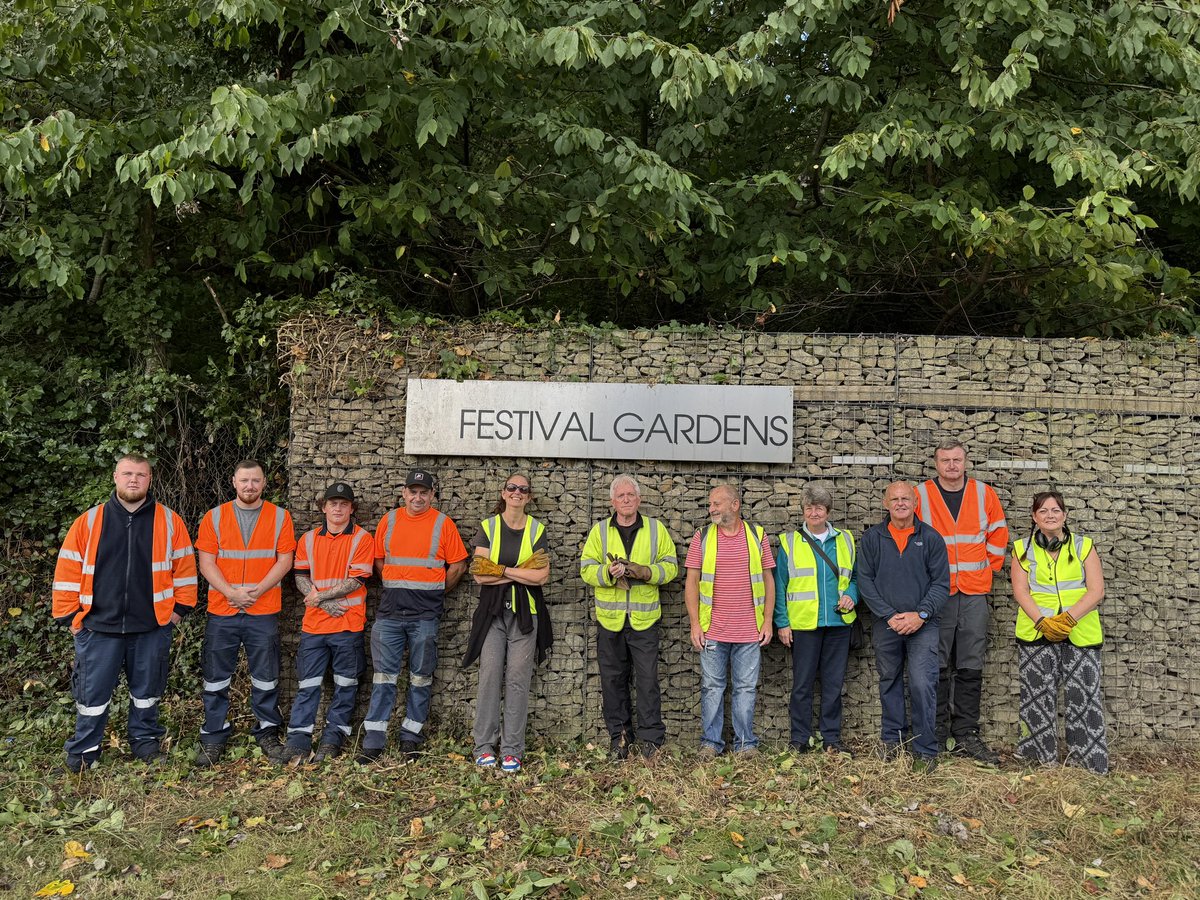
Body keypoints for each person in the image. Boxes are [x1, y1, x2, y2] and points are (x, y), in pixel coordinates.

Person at [52, 453, 197, 772]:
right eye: (128, 473)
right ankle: (84, 753)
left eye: (141, 475)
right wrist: (71, 619)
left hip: (151, 627)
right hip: (97, 627)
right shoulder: (89, 521)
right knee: (91, 696)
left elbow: (184, 570)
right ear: (115, 477)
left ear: (150, 480)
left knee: (147, 694)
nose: (134, 479)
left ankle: (145, 745)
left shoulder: (170, 521)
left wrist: (178, 612)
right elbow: (67, 570)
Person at [359, 469, 469, 763]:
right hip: (390, 613)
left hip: (425, 615)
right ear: (404, 493)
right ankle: (373, 742)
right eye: (413, 491)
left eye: (424, 492)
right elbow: (379, 560)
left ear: (433, 495)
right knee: (383, 678)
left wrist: (434, 591)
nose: (418, 497)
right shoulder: (389, 520)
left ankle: (411, 737)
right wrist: (398, 583)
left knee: (420, 678)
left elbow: (458, 565)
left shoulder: (443, 524)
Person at [194, 459, 297, 766]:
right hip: (223, 610)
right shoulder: (214, 517)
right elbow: (206, 562)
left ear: (264, 483)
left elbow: (284, 561)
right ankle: (213, 736)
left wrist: (255, 591)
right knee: (215, 679)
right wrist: (231, 593)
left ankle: (267, 732)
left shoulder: (280, 518)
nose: (250, 486)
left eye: (255, 480)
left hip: (262, 609)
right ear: (234, 482)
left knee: (266, 678)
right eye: (244, 481)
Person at [914, 440, 1008, 763]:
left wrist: (988, 568)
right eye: (945, 460)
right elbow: (908, 534)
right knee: (936, 663)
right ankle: (937, 734)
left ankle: (966, 733)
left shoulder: (985, 494)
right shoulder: (921, 495)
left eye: (957, 460)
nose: (951, 466)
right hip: (937, 593)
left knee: (970, 662)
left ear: (965, 462)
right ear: (936, 463)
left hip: (974, 592)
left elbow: (998, 534)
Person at [580, 474, 679, 760]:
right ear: (612, 501)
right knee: (612, 681)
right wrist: (606, 574)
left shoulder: (656, 530)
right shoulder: (599, 532)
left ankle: (651, 742)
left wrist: (644, 572)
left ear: (639, 499)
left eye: (630, 495)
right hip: (609, 621)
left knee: (648, 681)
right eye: (620, 496)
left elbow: (671, 568)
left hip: (644, 621)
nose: (626, 500)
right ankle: (619, 739)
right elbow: (586, 569)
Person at [1010, 491, 1108, 774]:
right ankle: (1038, 761)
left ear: (1064, 515)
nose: (1050, 515)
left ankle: (1090, 764)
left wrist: (1067, 619)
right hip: (1036, 632)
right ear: (1034, 517)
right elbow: (1021, 590)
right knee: (1036, 697)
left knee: (1085, 697)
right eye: (1043, 511)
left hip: (1080, 632)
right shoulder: (1021, 549)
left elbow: (1096, 590)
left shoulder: (1083, 546)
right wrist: (1043, 621)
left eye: (1055, 510)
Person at [463, 474, 552, 774]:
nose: (517, 493)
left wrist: (498, 570)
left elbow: (541, 577)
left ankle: (512, 749)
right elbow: (478, 575)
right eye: (512, 488)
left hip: (526, 615)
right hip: (493, 615)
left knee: (518, 680)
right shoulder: (488, 527)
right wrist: (519, 571)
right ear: (503, 493)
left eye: (523, 489)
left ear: (529, 497)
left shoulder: (538, 529)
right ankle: (484, 746)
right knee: (489, 677)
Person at [858, 481, 949, 772]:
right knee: (890, 680)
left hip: (923, 624)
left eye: (905, 499)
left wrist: (919, 614)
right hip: (887, 624)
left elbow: (941, 584)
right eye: (894, 499)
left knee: (923, 683)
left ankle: (925, 749)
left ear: (915, 503)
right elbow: (865, 581)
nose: (900, 503)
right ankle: (892, 742)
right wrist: (888, 615)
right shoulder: (873, 539)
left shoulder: (932, 538)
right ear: (886, 504)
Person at [282, 482, 374, 763]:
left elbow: (357, 579)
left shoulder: (362, 539)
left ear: (351, 509)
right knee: (307, 684)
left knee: (346, 685)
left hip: (348, 625)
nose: (338, 508)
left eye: (343, 504)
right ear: (323, 507)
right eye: (333, 503)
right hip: (314, 626)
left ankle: (333, 740)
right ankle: (298, 740)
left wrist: (320, 596)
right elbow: (300, 575)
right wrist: (320, 600)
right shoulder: (308, 539)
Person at [683, 484, 775, 757]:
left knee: (745, 689)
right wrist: (695, 624)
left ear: (734, 505)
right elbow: (692, 581)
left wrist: (768, 620)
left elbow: (769, 580)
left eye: (716, 503)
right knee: (712, 688)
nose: (711, 508)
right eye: (710, 504)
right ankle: (710, 743)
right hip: (712, 630)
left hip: (749, 630)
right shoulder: (702, 537)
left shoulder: (758, 536)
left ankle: (746, 745)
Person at [773, 482, 858, 755]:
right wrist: (782, 622)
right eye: (809, 508)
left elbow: (855, 578)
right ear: (803, 511)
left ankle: (831, 739)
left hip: (838, 623)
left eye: (819, 507)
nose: (814, 513)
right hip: (803, 624)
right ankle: (800, 739)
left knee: (833, 685)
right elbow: (779, 585)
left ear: (828, 511)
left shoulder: (846, 539)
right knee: (802, 685)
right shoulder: (789, 542)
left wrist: (852, 596)